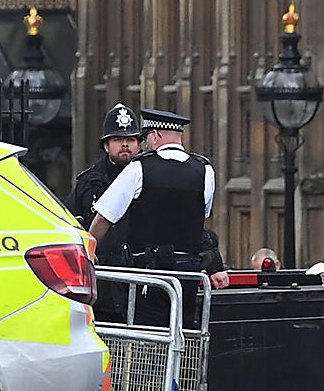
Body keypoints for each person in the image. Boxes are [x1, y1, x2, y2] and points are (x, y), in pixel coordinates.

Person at [90, 108, 229, 297]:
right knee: (184, 324)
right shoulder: (205, 169)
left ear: (155, 136)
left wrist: (89, 250)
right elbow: (201, 218)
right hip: (187, 275)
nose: (145, 143)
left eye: (146, 137)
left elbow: (104, 216)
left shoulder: (140, 167)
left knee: (147, 325)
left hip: (148, 275)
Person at [66, 103, 144, 232]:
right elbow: (70, 220)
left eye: (130, 140)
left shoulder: (150, 175)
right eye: (118, 140)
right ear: (106, 146)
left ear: (139, 144)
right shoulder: (90, 181)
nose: (125, 145)